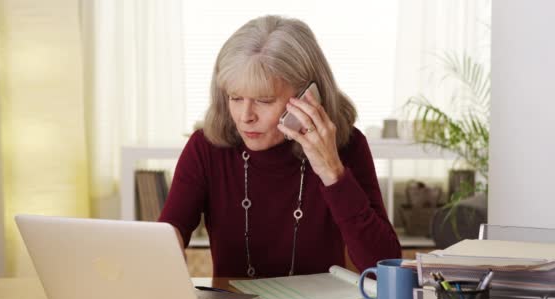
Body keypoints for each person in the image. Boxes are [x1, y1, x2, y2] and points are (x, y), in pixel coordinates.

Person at [159, 15, 401, 278]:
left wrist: (333, 173)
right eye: (235, 98)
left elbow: (384, 266)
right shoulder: (205, 149)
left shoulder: (347, 147)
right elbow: (169, 235)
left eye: (264, 100)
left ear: (308, 97)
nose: (245, 116)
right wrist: (165, 251)